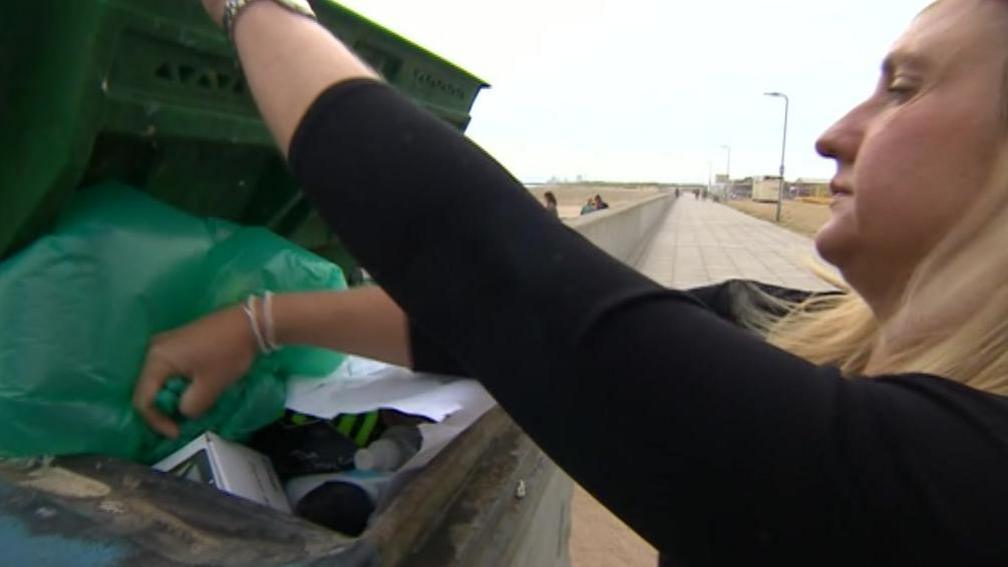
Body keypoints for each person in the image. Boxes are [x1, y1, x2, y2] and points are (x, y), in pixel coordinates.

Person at [132, 0, 1008, 563]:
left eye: (902, 87)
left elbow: (497, 271)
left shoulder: (965, 486)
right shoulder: (809, 321)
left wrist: (253, 9)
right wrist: (261, 320)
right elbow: (486, 324)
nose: (832, 134)